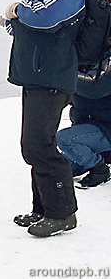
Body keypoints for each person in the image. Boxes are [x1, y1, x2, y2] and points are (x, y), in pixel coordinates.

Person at [5, 0, 92, 237]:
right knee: (32, 146)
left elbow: (42, 17)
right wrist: (19, 15)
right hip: (36, 77)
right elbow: (17, 25)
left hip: (54, 77)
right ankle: (42, 209)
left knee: (39, 144)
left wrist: (18, 10)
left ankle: (62, 213)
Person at [56, 56, 111, 188]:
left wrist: (62, 73)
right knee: (62, 171)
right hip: (87, 127)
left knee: (64, 139)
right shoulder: (77, 63)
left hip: (105, 128)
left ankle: (100, 170)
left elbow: (94, 88)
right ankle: (100, 158)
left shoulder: (107, 61)